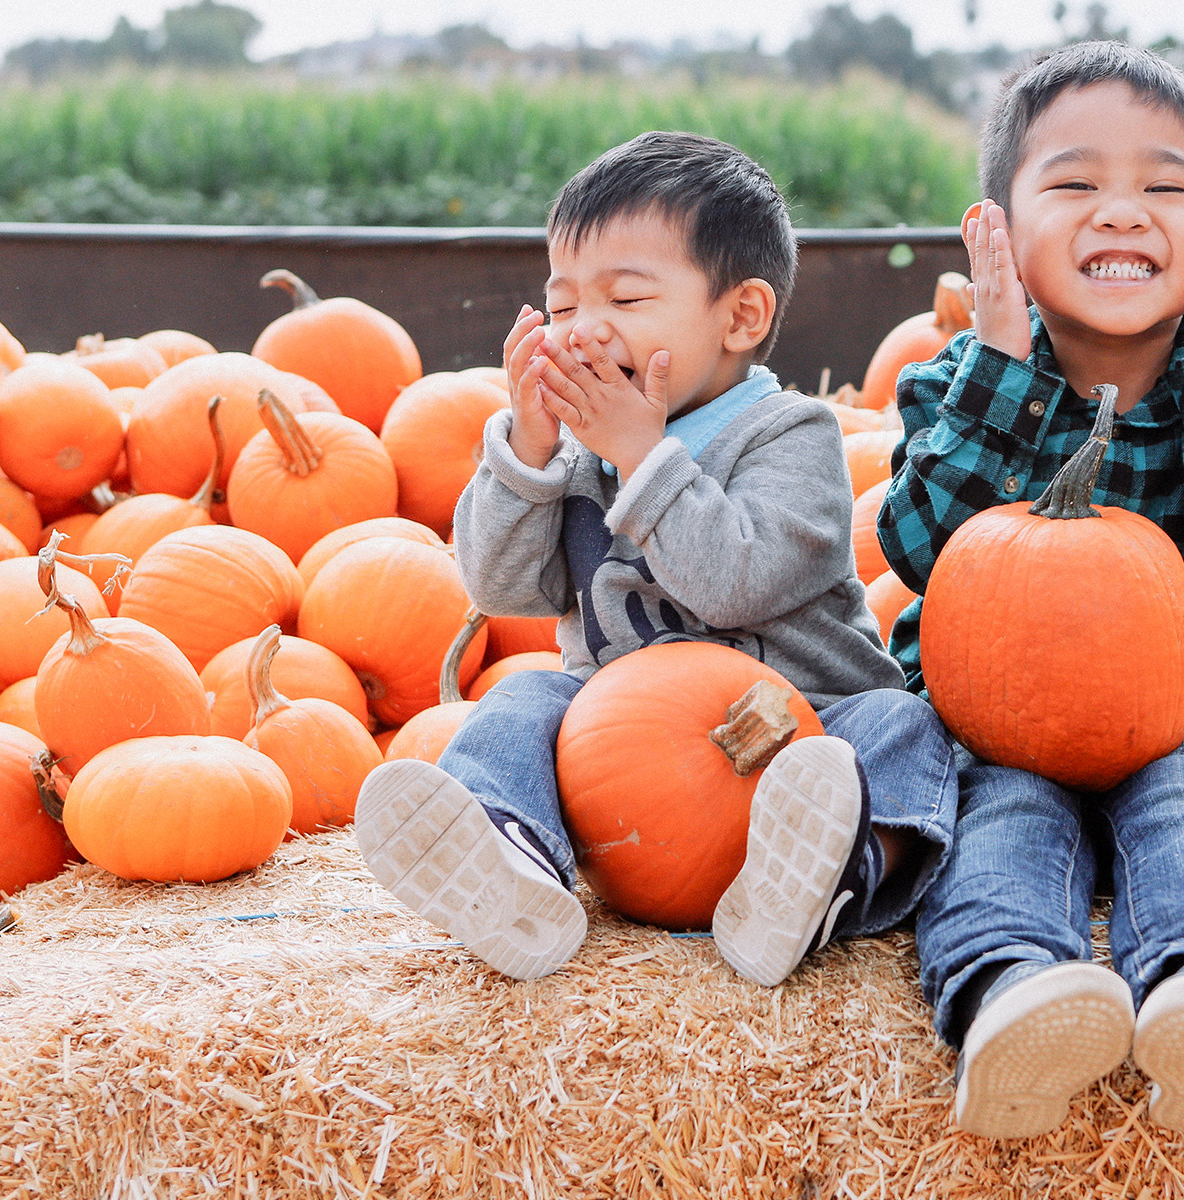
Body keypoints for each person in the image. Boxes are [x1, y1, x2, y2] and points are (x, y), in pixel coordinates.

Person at [354, 132, 954, 989]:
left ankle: (832, 875)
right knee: (523, 694)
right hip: (624, 756)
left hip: (804, 732)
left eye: (627, 299)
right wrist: (526, 452)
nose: (584, 332)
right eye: (561, 310)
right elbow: (499, 587)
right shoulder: (579, 450)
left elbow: (733, 582)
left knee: (905, 725)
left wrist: (641, 454)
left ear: (741, 317)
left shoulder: (790, 435)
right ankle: (513, 863)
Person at [878, 42, 1184, 1139]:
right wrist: (999, 372)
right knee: (1001, 826)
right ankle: (1009, 995)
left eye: (1165, 187)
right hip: (994, 722)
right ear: (999, 231)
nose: (1121, 213)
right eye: (1075, 185)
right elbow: (918, 544)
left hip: (1181, 710)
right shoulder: (952, 383)